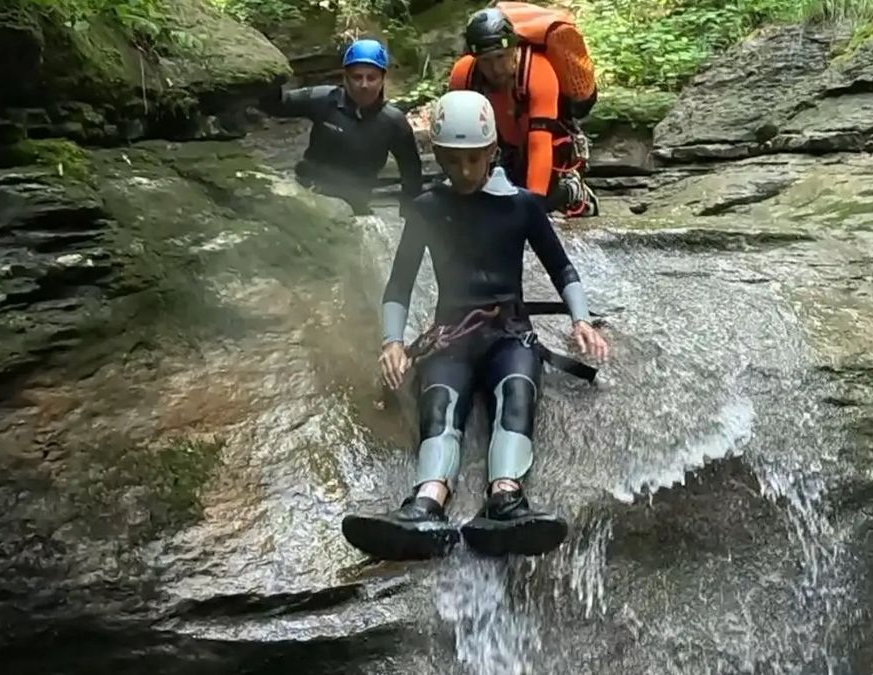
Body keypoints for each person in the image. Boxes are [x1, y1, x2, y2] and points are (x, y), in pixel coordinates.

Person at [340, 90, 610, 561]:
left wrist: (582, 319)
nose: (464, 172)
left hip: (510, 334)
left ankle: (505, 499)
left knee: (517, 390)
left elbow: (561, 268)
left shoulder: (522, 205)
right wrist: (392, 343)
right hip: (452, 337)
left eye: (474, 160)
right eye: (454, 161)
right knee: (441, 401)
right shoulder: (426, 208)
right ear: (439, 156)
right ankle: (427, 502)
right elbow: (399, 284)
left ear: (491, 154)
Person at [447, 7, 599, 219]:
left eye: (500, 57)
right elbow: (456, 138)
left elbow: (540, 144)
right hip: (505, 149)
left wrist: (531, 210)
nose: (495, 68)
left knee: (540, 201)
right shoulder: (464, 75)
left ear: (513, 48)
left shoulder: (537, 72)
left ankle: (574, 191)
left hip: (550, 147)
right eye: (486, 61)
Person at [259, 38, 424, 216]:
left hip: (356, 205)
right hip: (309, 196)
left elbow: (411, 172)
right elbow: (276, 106)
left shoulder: (393, 122)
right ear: (345, 77)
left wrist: (409, 213)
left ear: (383, 78)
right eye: (357, 77)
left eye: (372, 77)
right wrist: (271, 74)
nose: (364, 85)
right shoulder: (323, 99)